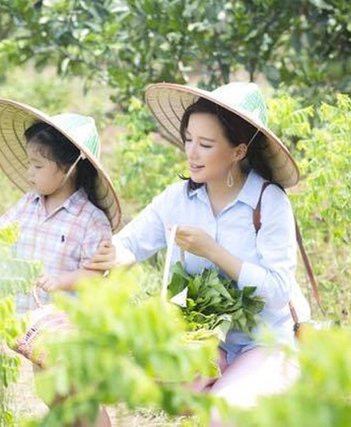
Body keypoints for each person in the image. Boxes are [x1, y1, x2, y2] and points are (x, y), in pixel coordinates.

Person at [84, 82, 311, 419]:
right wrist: (114, 255)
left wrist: (214, 251)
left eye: (206, 144)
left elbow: (277, 292)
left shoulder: (268, 202)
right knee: (168, 388)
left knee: (221, 412)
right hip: (205, 342)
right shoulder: (178, 198)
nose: (191, 152)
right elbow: (132, 241)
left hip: (263, 341)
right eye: (189, 139)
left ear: (238, 151)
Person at [0, 98, 121, 426]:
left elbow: (97, 273)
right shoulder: (27, 204)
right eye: (29, 164)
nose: (29, 173)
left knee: (79, 395)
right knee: (51, 393)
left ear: (70, 168)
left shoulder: (89, 219)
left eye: (38, 166)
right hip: (34, 325)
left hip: (71, 326)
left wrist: (62, 281)